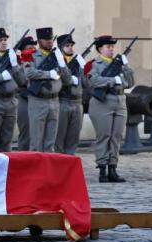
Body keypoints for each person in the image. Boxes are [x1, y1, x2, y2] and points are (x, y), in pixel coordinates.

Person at [88, 35, 135, 183]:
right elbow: (93, 81)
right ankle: (102, 169)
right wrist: (111, 80)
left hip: (120, 101)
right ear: (100, 49)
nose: (111, 49)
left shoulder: (120, 64)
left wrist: (126, 67)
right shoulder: (96, 64)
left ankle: (113, 168)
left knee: (116, 136)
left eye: (112, 47)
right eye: (108, 47)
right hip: (103, 101)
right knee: (104, 135)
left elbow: (130, 83)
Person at [24, 27, 70, 152]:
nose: (49, 41)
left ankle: (47, 170)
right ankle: (35, 170)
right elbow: (29, 73)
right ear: (39, 41)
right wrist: (48, 74)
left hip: (54, 101)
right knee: (36, 141)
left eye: (50, 38)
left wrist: (63, 65)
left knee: (50, 142)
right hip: (38, 100)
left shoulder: (58, 56)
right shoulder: (30, 55)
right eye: (45, 39)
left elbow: (68, 80)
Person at [55, 33, 87, 155]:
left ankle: (69, 163)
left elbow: (86, 84)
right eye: (67, 46)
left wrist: (84, 68)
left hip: (77, 102)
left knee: (74, 137)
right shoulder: (57, 62)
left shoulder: (78, 61)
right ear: (60, 48)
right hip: (63, 101)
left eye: (71, 45)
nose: (70, 48)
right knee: (60, 136)